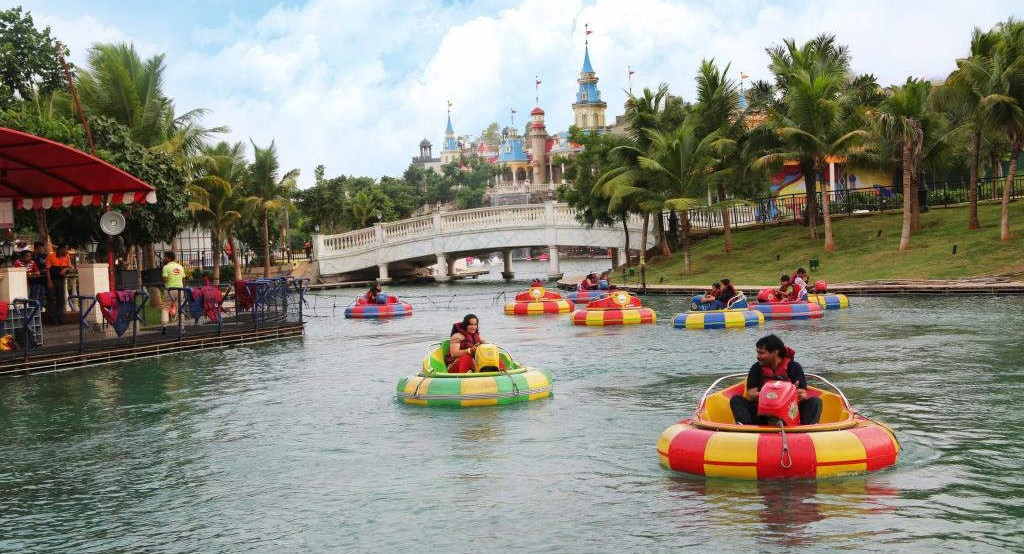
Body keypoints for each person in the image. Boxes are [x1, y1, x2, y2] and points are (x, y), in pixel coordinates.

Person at [729, 334, 822, 426]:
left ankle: (808, 430)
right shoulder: (756, 368)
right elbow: (750, 395)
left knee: (815, 401)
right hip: (761, 414)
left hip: (790, 414)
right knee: (736, 400)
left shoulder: (794, 367)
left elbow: (803, 395)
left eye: (761, 353)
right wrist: (772, 396)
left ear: (775, 353)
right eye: (757, 352)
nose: (757, 356)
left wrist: (795, 393)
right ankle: (744, 429)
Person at [45, 244, 74, 324]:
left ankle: (60, 318)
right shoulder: (51, 256)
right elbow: (47, 270)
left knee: (61, 300)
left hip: (61, 280)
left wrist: (65, 269)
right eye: (66, 249)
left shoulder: (67, 256)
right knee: (51, 300)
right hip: (52, 280)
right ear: (61, 249)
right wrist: (49, 282)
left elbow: (70, 267)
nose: (67, 251)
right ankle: (53, 319)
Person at [161, 251, 185, 328]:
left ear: (169, 258)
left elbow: (165, 279)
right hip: (180, 290)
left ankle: (164, 324)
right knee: (180, 308)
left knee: (166, 307)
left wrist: (164, 281)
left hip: (169, 290)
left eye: (165, 257)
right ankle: (181, 327)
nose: (163, 258)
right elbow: (183, 279)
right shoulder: (180, 267)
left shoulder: (166, 267)